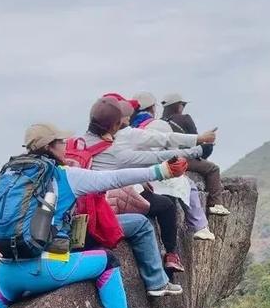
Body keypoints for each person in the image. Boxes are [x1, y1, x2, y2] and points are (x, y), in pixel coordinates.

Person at [0, 122, 188, 308]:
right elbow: (114, 178)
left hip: (6, 272)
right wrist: (162, 170)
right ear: (50, 146)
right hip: (48, 269)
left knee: (6, 291)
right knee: (108, 261)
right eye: (61, 141)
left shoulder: (10, 176)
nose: (65, 145)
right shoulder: (65, 175)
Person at [81, 97, 214, 271]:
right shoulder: (117, 147)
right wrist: (197, 148)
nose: (128, 120)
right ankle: (163, 269)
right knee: (162, 209)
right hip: (105, 206)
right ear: (116, 124)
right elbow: (155, 157)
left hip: (82, 208)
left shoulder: (82, 142)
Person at [161, 93, 230, 216]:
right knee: (213, 169)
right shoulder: (185, 118)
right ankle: (215, 204)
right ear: (178, 106)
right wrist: (206, 143)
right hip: (183, 158)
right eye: (183, 104)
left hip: (164, 159)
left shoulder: (160, 122)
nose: (183, 107)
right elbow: (195, 140)